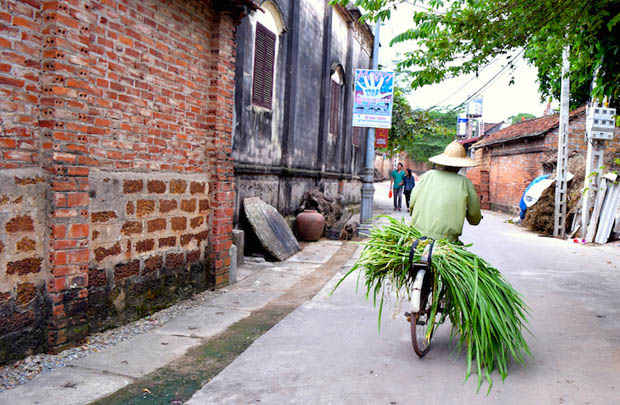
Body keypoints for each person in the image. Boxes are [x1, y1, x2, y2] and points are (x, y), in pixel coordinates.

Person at [409, 140, 481, 243]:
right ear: (461, 165)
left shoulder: (428, 176)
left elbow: (412, 202)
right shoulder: (465, 183)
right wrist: (473, 218)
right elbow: (474, 217)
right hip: (447, 241)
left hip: (417, 236)